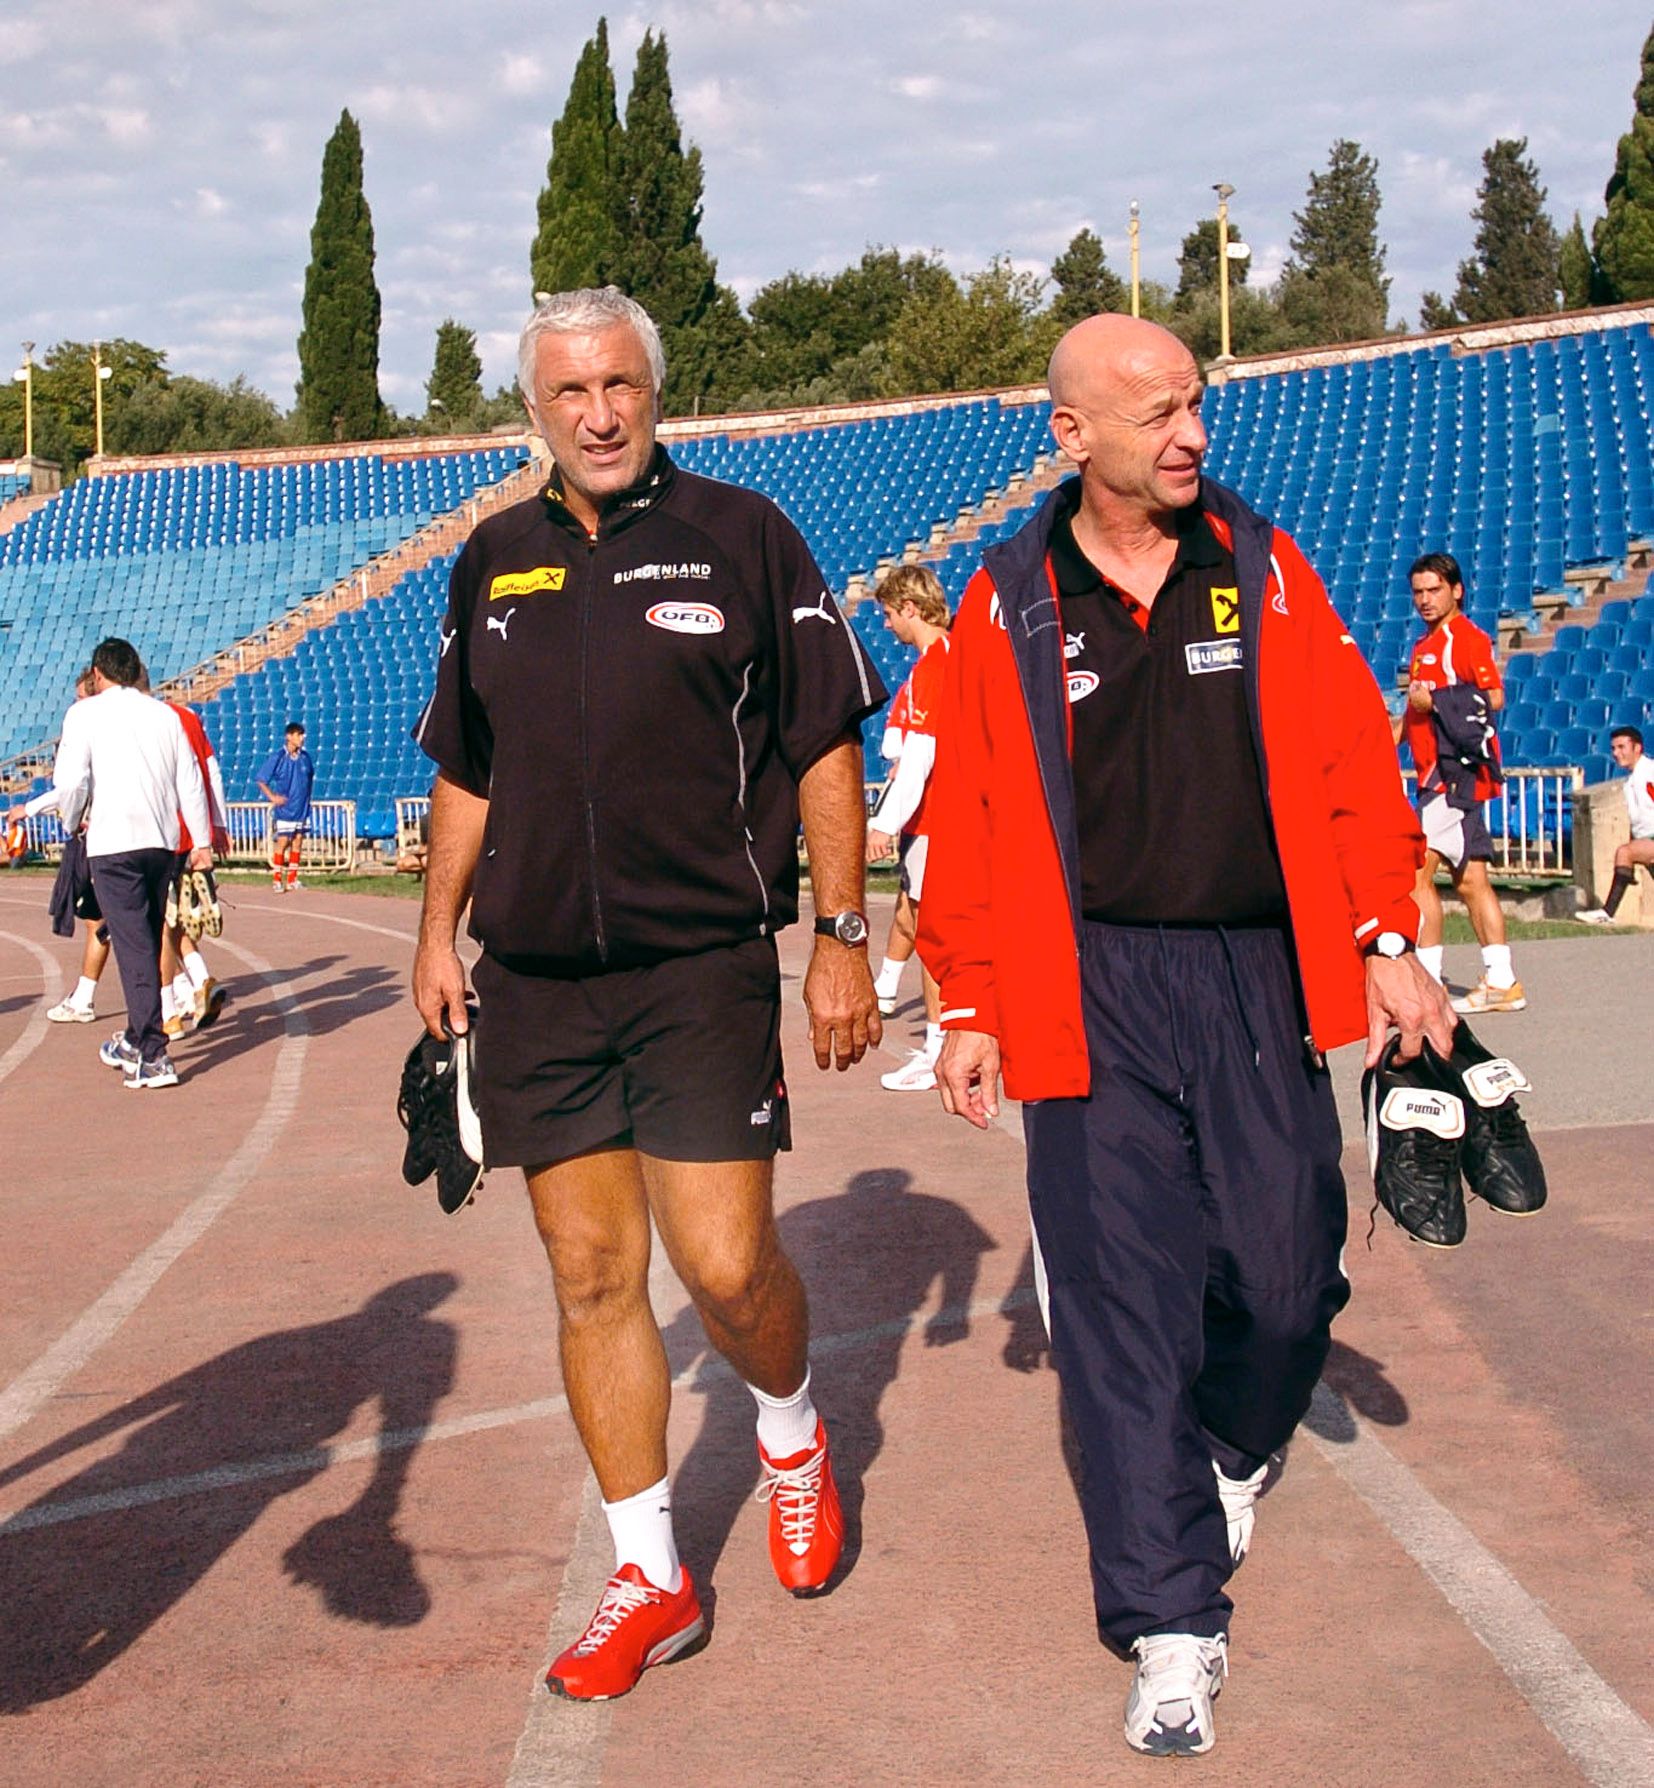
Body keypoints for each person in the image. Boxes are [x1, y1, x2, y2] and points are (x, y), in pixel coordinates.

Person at [917, 314, 1453, 1758]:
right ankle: (1166, 1620)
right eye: (1153, 411)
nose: (1188, 433)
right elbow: (962, 816)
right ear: (1069, 434)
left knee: (1288, 1280)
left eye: (1194, 404)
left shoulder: (1263, 570)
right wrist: (966, 998)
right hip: (1077, 983)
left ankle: (1226, 1442)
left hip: (1254, 973)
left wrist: (1389, 937)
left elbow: (1348, 765)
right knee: (1117, 1312)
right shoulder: (1004, 594)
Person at [410, 287, 886, 1703]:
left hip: (698, 968)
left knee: (726, 1265)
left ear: (655, 392)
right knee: (591, 1274)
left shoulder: (743, 535)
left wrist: (844, 933)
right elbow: (465, 769)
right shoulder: (490, 559)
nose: (598, 413)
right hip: (540, 982)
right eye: (569, 394)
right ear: (533, 412)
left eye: (619, 385)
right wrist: (435, 933)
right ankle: (649, 1570)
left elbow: (819, 745)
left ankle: (792, 1436)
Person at [29, 638, 213, 1089]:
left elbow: (72, 782)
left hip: (113, 843)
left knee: (134, 945)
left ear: (97, 672)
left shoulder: (85, 714)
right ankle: (135, 1038)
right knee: (146, 938)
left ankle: (153, 1054)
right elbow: (189, 780)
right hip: (161, 843)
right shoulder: (164, 714)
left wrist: (72, 821)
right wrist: (201, 841)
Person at [1397, 554, 1525, 1013]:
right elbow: (1415, 712)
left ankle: (1429, 983)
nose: (1424, 600)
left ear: (1456, 590)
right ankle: (1502, 979)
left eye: (1433, 590)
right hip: (1438, 778)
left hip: (1453, 777)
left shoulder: (1465, 639)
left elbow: (1493, 697)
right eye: (1418, 591)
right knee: (1471, 882)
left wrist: (1436, 700)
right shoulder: (1425, 644)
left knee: (1415, 876)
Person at [865, 565, 952, 1090]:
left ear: (910, 609)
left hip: (940, 820)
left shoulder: (934, 667)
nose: (889, 625)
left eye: (890, 615)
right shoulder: (954, 656)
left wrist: (883, 822)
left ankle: (937, 1050)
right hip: (954, 818)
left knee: (933, 934)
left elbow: (919, 756)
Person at [1578, 723, 1654, 922]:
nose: (1616, 753)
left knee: (1625, 852)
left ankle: (1607, 913)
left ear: (1637, 748)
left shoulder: (1649, 773)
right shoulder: (1631, 782)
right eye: (1613, 748)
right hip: (1645, 839)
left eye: (1622, 747)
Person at [257, 721, 314, 893]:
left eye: (302, 734)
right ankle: (276, 879)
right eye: (298, 734)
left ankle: (292, 879)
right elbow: (261, 779)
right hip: (286, 809)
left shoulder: (305, 757)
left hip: (302, 808)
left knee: (298, 842)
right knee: (283, 842)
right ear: (289, 736)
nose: (301, 738)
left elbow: (309, 778)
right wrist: (273, 797)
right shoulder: (278, 757)